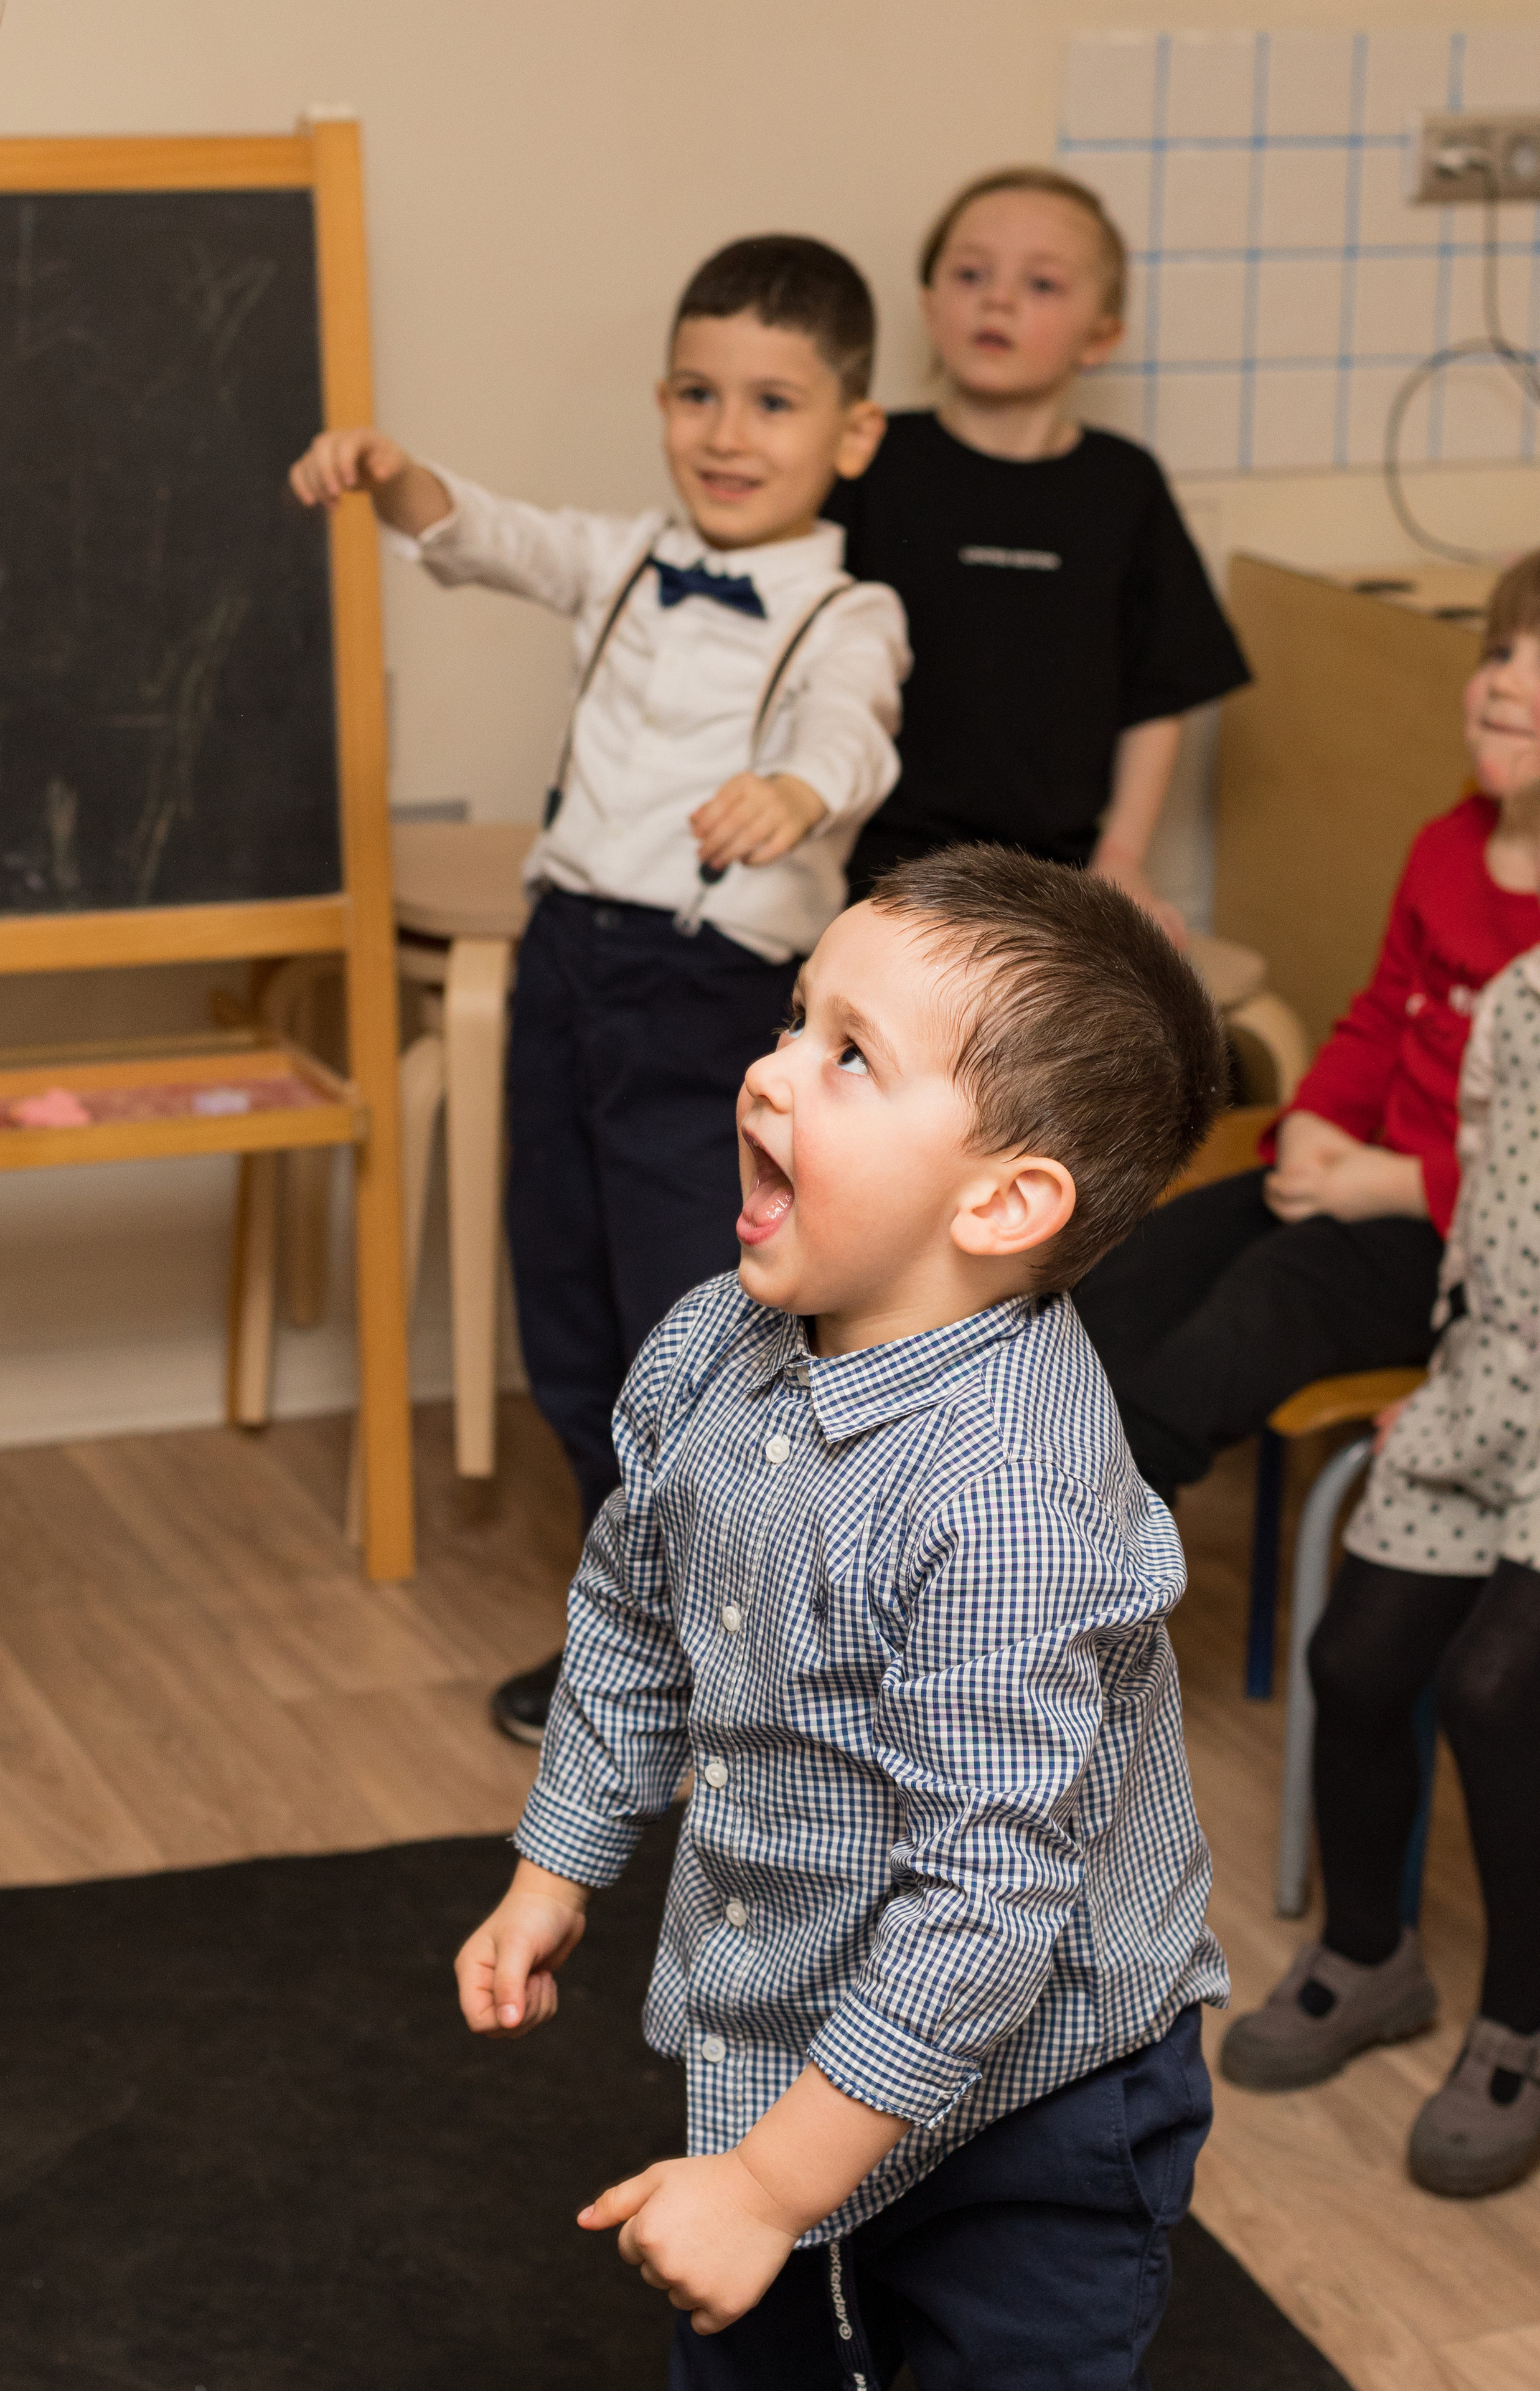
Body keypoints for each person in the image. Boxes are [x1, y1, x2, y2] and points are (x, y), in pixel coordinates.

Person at [454, 847, 1229, 2389]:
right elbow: (630, 1604)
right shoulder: (713, 1337)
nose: (769, 1069)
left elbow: (984, 1901)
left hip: (1038, 2096)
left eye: (848, 1054)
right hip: (791, 2003)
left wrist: (762, 2184)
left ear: (1002, 1200)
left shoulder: (1006, 1499)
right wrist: (560, 1858)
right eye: (794, 1013)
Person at [290, 237, 909, 1743]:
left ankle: (738, 1666)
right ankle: (630, 1636)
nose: (724, 432)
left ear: (851, 434)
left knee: (686, 1334)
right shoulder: (626, 555)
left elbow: (858, 735)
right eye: (697, 393)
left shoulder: (850, 613)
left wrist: (792, 789)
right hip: (569, 965)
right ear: (659, 401)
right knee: (562, 1314)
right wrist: (394, 471)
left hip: (708, 1003)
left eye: (771, 402)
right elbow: (485, 533)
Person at [1075, 550, 1540, 1500]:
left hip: (1474, 1251)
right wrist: (1320, 1125)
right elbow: (1382, 1018)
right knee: (1114, 1286)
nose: (1505, 685)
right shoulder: (1447, 848)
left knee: (1240, 1329)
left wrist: (1401, 1184)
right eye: (1499, 652)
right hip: (1356, 1175)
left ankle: (1080, 1565)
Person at [1221, 909, 1540, 2199]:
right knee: (1352, 1660)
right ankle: (1368, 1957)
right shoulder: (1519, 996)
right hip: (1484, 1376)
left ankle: (1520, 2022)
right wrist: (1446, 1357)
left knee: (1493, 1688)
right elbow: (1478, 1201)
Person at [822, 166, 1249, 933]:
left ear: (1101, 336)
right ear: (929, 306)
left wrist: (1121, 854)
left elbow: (1161, 694)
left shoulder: (1124, 485)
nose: (998, 298)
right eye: (970, 273)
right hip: (871, 867)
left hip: (1057, 883)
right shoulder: (870, 459)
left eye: (1042, 284)